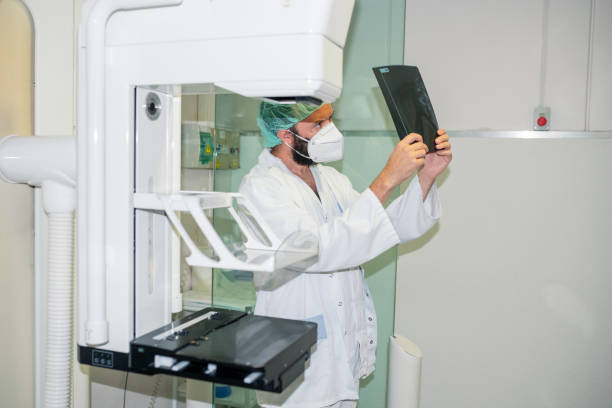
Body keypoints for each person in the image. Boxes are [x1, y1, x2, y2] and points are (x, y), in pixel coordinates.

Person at [238, 101, 452, 408]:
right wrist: (387, 178)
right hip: (296, 366)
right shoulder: (260, 188)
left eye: (330, 120)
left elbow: (381, 228)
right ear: (285, 135)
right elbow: (319, 250)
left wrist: (426, 175)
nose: (330, 131)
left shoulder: (331, 180)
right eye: (318, 125)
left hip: (341, 354)